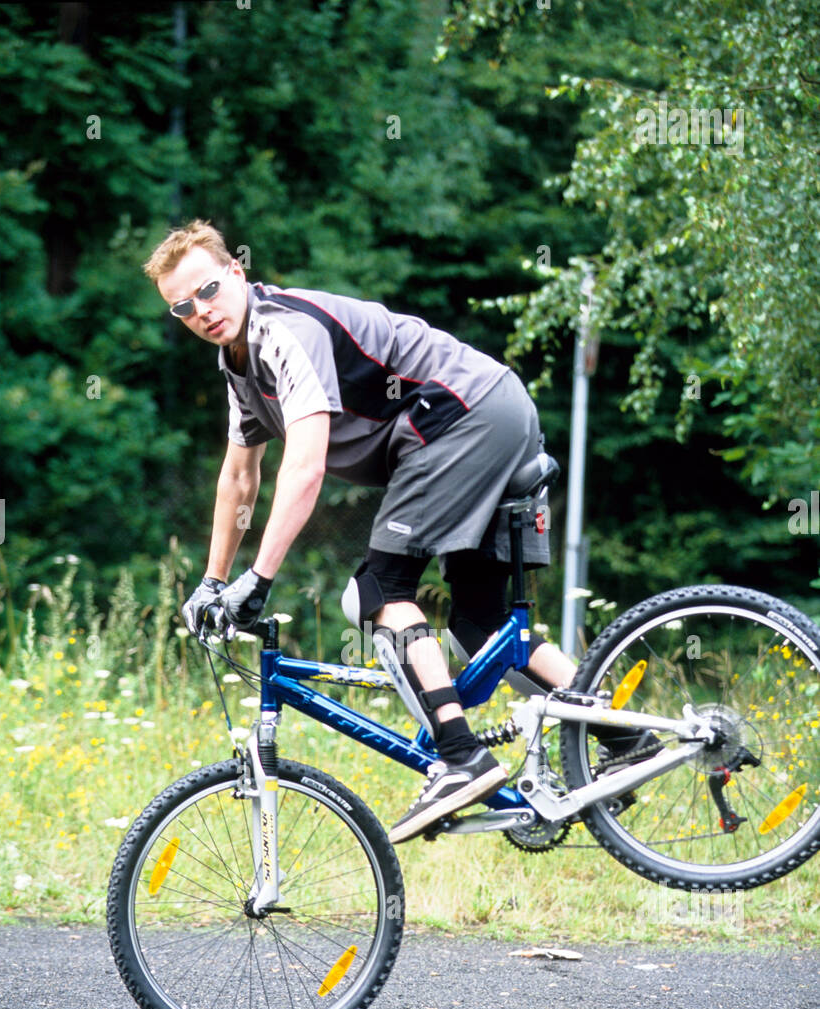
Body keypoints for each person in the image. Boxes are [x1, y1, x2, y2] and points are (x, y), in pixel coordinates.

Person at [143, 219, 583, 843]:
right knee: (479, 630)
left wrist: (258, 579)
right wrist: (212, 582)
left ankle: (461, 759)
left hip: (460, 415)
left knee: (379, 592)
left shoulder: (283, 332)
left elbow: (306, 462)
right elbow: (238, 478)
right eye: (182, 307)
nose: (200, 311)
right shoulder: (238, 363)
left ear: (237, 273)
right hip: (485, 412)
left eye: (209, 290)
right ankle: (622, 732)